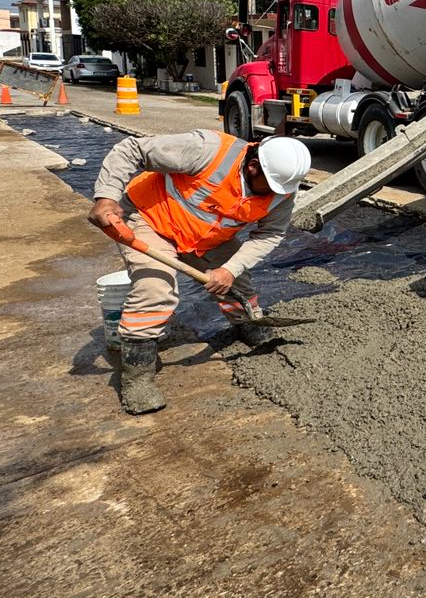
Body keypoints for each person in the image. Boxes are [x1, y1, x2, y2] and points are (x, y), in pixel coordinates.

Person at [87, 131, 312, 415]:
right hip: (150, 220)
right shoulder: (208, 150)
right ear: (253, 166)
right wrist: (106, 196)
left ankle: (247, 322)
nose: (278, 193)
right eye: (272, 186)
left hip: (207, 238)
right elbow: (132, 149)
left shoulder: (282, 191)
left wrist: (229, 269)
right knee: (155, 288)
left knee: (237, 282)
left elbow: (270, 234)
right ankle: (137, 377)